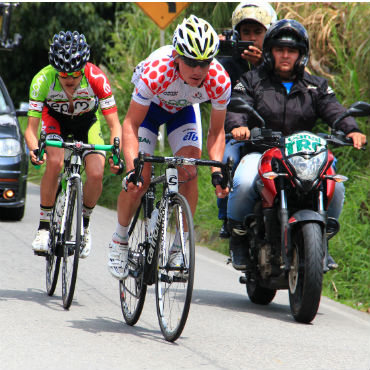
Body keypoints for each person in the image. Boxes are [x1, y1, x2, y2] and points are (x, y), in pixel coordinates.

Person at [227, 19, 367, 270]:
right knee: (245, 181)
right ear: (269, 52)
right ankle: (237, 235)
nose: (285, 55)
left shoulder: (316, 85)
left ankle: (321, 242)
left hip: (304, 153)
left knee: (334, 182)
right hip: (262, 151)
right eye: (280, 49)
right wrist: (239, 126)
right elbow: (238, 104)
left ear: (301, 55)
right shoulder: (251, 80)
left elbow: (334, 110)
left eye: (291, 51)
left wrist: (352, 131)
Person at [108, 15, 231, 280]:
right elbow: (130, 124)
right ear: (176, 56)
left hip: (182, 112)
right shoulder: (156, 73)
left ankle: (179, 246)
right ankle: (119, 240)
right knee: (139, 181)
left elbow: (216, 132)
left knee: (189, 171)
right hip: (148, 114)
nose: (199, 70)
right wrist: (132, 169)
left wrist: (217, 171)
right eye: (191, 62)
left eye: (205, 63)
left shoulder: (219, 80)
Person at [25, 30, 122, 258]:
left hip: (86, 123)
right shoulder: (42, 80)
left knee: (96, 173)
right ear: (55, 70)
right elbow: (30, 130)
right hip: (54, 121)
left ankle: (84, 225)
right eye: (63, 74)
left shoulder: (97, 77)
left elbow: (115, 124)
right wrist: (34, 150)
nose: (69, 79)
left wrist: (115, 153)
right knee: (55, 163)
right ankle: (44, 227)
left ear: (84, 67)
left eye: (76, 74)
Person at [217, 1, 277, 238]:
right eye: (246, 33)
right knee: (226, 162)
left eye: (258, 32)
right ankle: (227, 219)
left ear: (270, 33)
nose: (252, 38)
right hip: (236, 131)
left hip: (272, 132)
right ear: (237, 34)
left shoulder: (280, 62)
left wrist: (262, 66)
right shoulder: (228, 64)